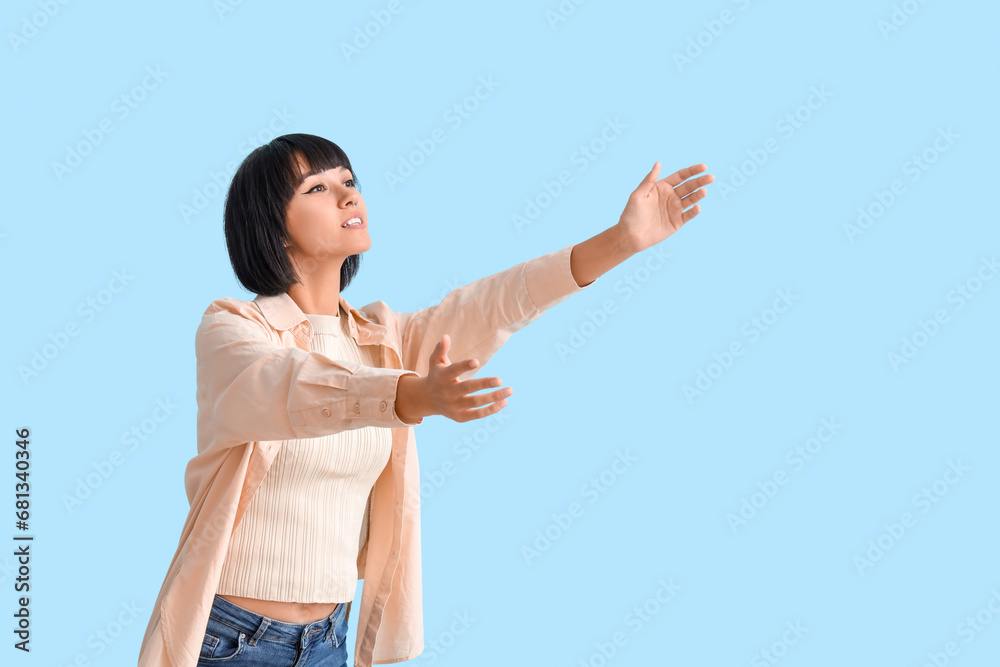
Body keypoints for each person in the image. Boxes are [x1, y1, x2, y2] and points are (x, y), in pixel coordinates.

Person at [136, 133, 713, 667]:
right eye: (318, 187)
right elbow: (291, 385)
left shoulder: (384, 338)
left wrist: (621, 241)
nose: (346, 195)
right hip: (234, 639)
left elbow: (498, 303)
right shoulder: (232, 330)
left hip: (326, 639)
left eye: (348, 180)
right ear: (274, 228)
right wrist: (411, 394)